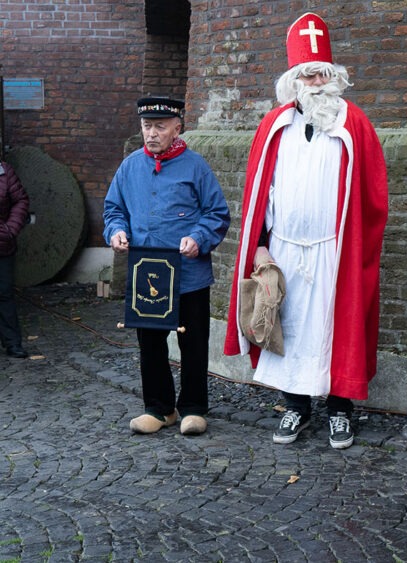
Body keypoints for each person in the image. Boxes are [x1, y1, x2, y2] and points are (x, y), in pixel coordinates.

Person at [223, 12, 389, 450]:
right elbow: (259, 194)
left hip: (335, 252)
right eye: (305, 73)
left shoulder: (354, 125)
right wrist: (259, 247)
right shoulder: (274, 126)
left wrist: (358, 250)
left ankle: (340, 411)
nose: (314, 81)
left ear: (332, 76)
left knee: (336, 329)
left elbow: (373, 195)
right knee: (289, 328)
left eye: (320, 73)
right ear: (293, 80)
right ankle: (294, 406)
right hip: (283, 251)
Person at [103, 96, 231, 436]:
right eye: (147, 126)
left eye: (160, 127)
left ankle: (193, 409)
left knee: (193, 342)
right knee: (150, 343)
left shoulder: (195, 166)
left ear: (177, 128)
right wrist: (116, 231)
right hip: (147, 273)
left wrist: (199, 238)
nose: (152, 134)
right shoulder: (130, 167)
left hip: (189, 273)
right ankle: (159, 409)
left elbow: (217, 213)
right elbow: (114, 209)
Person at [0, 159, 30, 359]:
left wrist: (9, 230)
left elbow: (21, 200)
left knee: (4, 293)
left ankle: (12, 343)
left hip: (2, 245)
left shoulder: (4, 171)